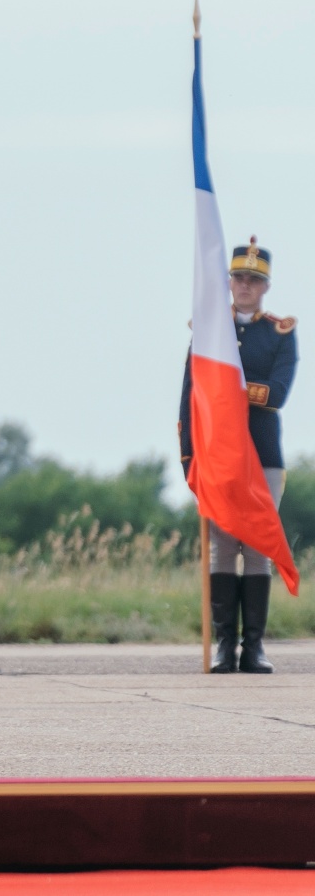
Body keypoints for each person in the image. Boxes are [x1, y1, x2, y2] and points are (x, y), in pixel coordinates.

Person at [180, 236, 296, 675]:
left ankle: (254, 648)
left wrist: (229, 386)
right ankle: (225, 646)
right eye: (239, 277)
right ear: (229, 282)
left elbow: (277, 394)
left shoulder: (280, 332)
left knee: (259, 544)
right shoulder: (210, 332)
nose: (245, 285)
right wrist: (189, 456)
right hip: (219, 454)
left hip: (262, 454)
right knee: (223, 546)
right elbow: (189, 396)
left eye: (254, 279)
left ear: (265, 287)